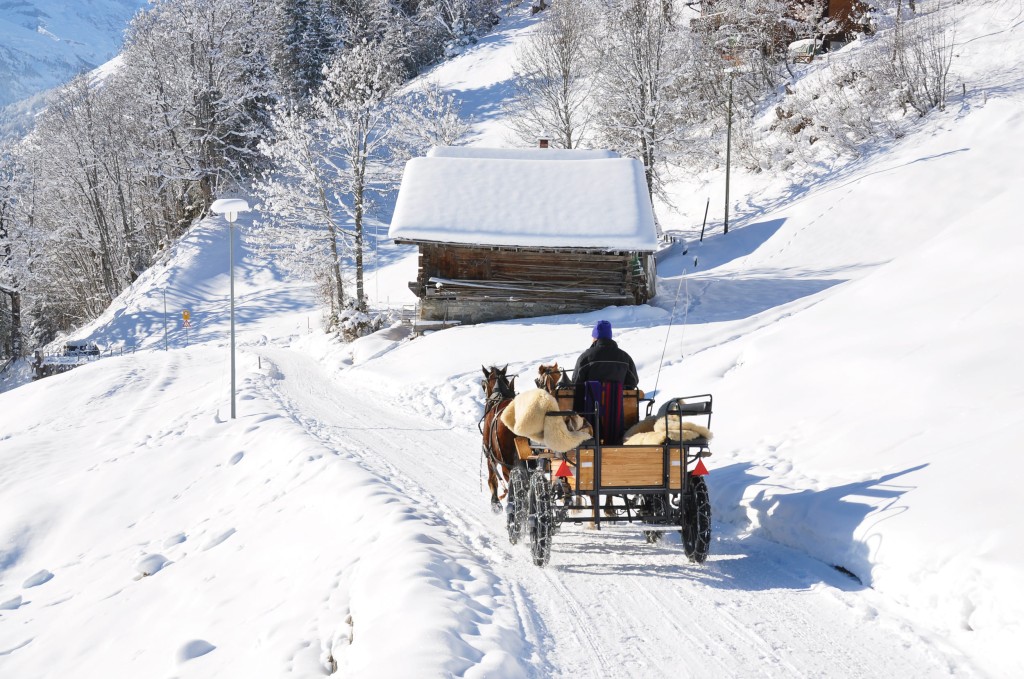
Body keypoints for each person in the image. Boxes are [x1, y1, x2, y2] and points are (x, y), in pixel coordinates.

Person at [572, 320, 638, 444]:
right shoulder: (624, 357)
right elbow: (633, 382)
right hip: (617, 418)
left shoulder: (586, 357)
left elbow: (576, 383)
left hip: (589, 418)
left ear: (595, 338)